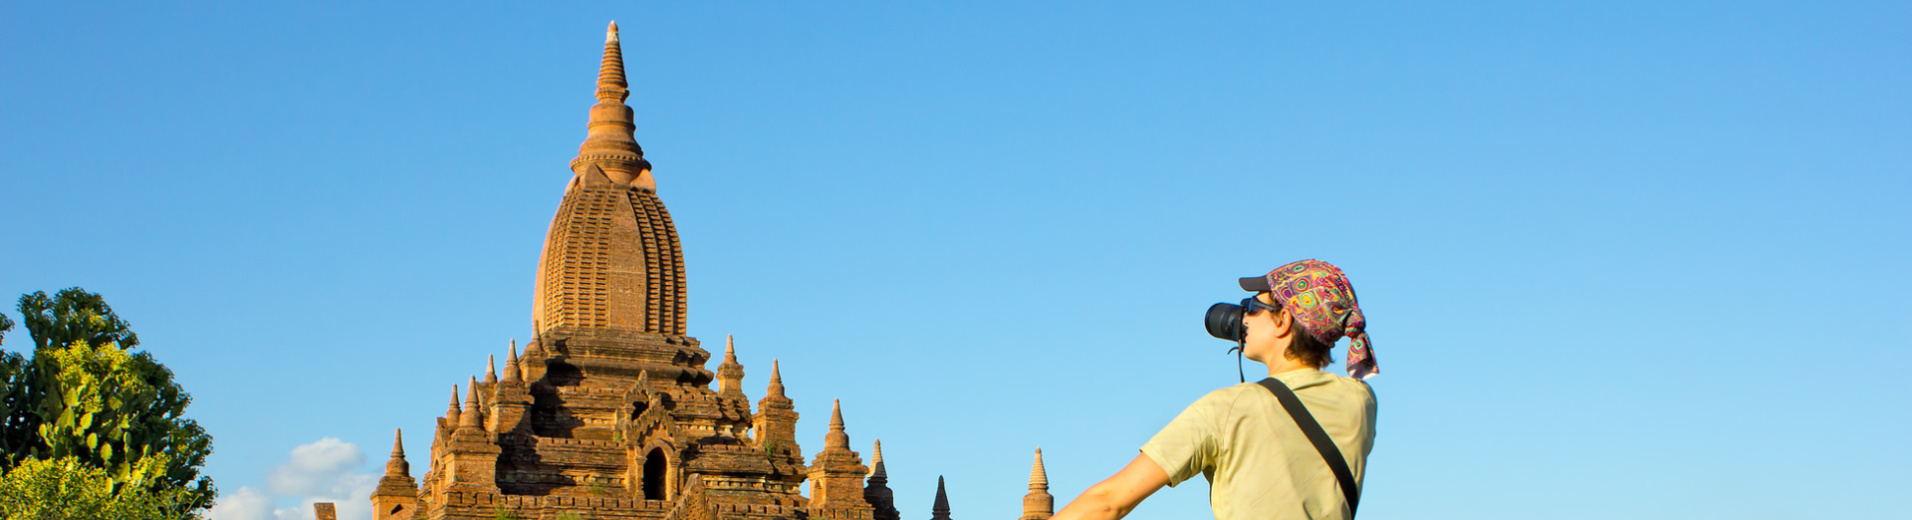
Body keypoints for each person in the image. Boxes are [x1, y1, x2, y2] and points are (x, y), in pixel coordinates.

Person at [1050, 259, 1379, 520]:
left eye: (1252, 307)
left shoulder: (1227, 409)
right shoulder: (1360, 402)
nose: (1243, 319)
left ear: (1283, 321)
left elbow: (1108, 503)